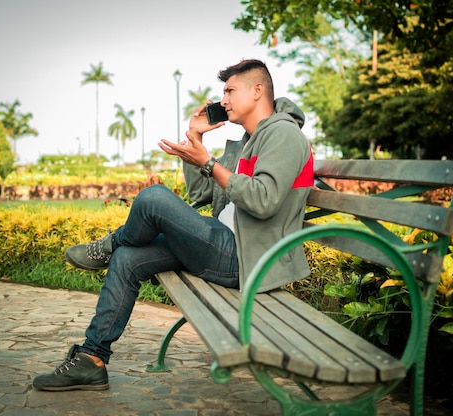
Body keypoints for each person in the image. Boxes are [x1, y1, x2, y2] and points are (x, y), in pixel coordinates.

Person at [32, 59, 314, 391]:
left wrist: (208, 163)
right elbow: (201, 193)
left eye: (230, 91)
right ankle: (92, 359)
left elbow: (264, 200)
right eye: (223, 92)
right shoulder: (249, 140)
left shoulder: (283, 135)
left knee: (153, 198)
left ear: (257, 90)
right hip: (225, 242)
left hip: (247, 257)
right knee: (128, 260)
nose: (223, 100)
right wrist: (195, 140)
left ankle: (109, 244)